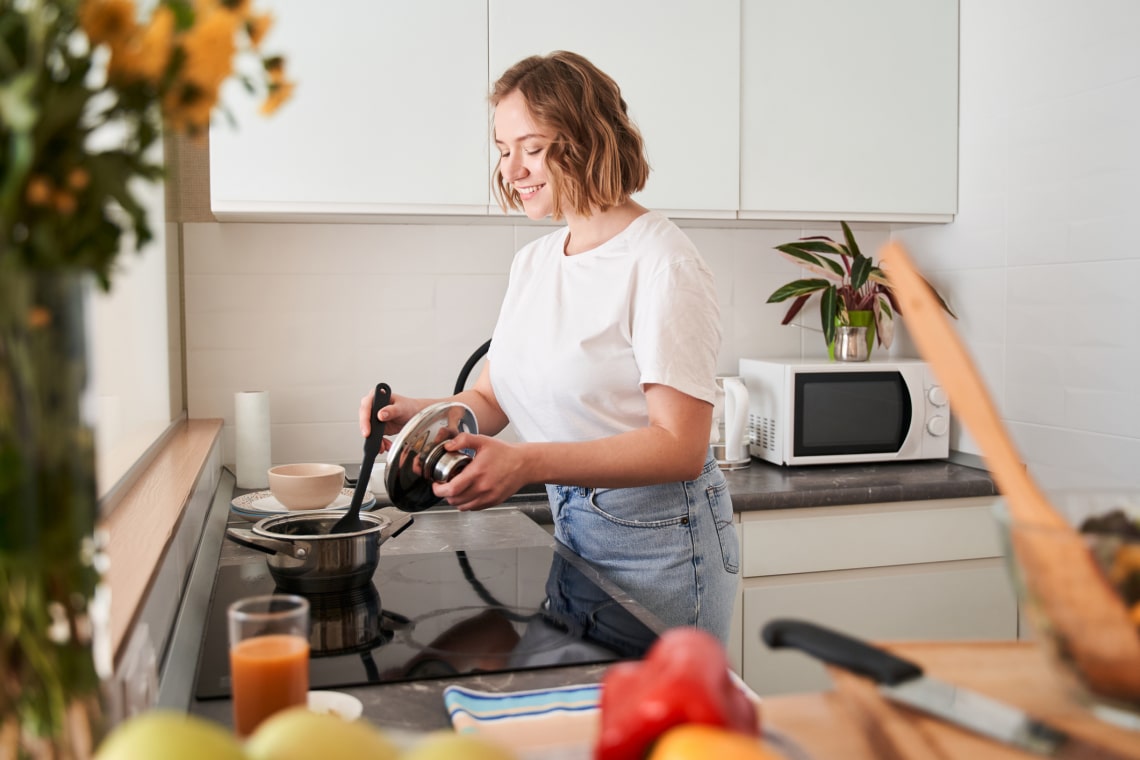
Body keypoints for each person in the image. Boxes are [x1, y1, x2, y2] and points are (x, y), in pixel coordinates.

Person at [359, 50, 739, 643]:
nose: (512, 170)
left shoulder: (662, 263)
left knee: (653, 707)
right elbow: (493, 397)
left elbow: (680, 446)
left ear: (589, 140)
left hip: (661, 546)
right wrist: (421, 415)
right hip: (575, 530)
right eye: (502, 150)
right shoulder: (534, 262)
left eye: (531, 148)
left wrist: (528, 463)